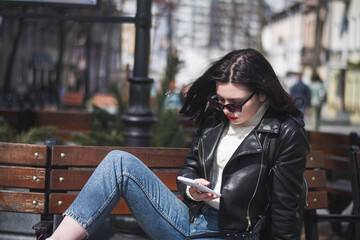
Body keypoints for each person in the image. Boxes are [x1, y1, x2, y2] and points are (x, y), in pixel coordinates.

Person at [47, 48, 310, 240]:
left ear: (262, 93)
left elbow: (285, 213)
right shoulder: (216, 118)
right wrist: (192, 191)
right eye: (220, 100)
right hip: (190, 218)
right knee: (119, 162)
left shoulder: (285, 133)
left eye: (236, 103)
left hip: (234, 234)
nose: (227, 109)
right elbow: (189, 169)